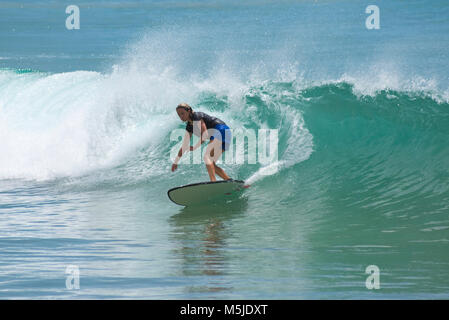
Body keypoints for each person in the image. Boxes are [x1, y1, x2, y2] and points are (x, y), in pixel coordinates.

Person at [171, 103, 232, 181]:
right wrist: (176, 161)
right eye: (179, 115)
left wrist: (195, 147)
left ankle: (213, 182)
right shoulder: (189, 126)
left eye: (182, 113)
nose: (181, 117)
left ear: (189, 111)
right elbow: (184, 145)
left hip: (220, 129)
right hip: (226, 133)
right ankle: (228, 180)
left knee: (207, 157)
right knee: (211, 163)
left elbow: (205, 134)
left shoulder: (197, 116)